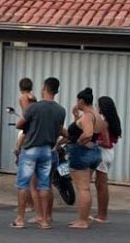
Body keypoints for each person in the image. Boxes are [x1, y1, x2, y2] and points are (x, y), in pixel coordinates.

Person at [14, 77, 67, 230]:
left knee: (23, 184)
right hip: (48, 150)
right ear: (56, 91)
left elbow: (19, 124)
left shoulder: (34, 108)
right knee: (44, 185)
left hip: (31, 148)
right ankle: (44, 220)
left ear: (44, 88)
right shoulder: (60, 110)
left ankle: (20, 219)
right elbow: (59, 130)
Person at [66, 88, 106, 230]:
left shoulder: (88, 115)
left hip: (81, 153)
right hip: (94, 152)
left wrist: (79, 142)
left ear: (81, 101)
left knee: (83, 188)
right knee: (85, 187)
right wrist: (76, 116)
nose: (76, 103)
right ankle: (82, 217)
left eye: (77, 100)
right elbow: (88, 131)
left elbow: (87, 133)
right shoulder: (97, 115)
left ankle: (82, 221)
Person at [94, 96, 122, 223]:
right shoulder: (113, 120)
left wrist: (95, 142)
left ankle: (102, 215)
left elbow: (106, 142)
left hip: (103, 154)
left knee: (101, 185)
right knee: (100, 184)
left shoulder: (103, 122)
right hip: (109, 153)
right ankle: (101, 214)